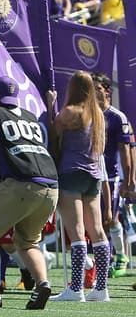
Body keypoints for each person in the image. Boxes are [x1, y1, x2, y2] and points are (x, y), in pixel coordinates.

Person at [0, 77, 57, 309]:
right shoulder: (30, 116)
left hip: (20, 184)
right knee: (27, 243)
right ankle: (42, 283)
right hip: (51, 187)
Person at [49, 71, 110, 303]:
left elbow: (54, 138)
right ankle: (101, 288)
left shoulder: (69, 112)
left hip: (71, 172)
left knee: (76, 233)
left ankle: (76, 288)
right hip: (94, 174)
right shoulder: (99, 115)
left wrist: (51, 106)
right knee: (97, 231)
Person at [94, 75, 134, 275]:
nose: (94, 92)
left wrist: (129, 181)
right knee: (96, 221)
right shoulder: (88, 115)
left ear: (107, 91)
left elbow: (126, 151)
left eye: (98, 88)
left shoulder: (117, 117)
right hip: (91, 175)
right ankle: (107, 258)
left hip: (111, 176)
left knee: (108, 219)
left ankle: (119, 256)